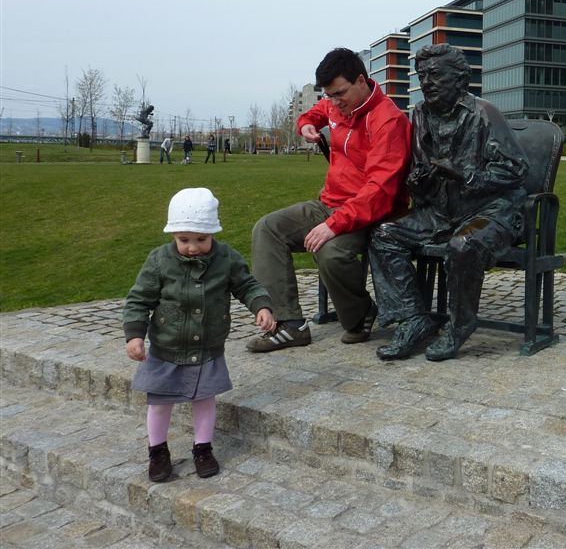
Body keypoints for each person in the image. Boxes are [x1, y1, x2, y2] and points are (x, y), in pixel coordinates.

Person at [369, 44, 528, 362]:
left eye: (435, 75)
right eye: (422, 75)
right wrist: (420, 178)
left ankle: (458, 326)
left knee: (463, 244)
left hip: (490, 211)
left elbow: (516, 169)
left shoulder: (484, 113)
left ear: (459, 79)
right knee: (383, 235)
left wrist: (465, 175)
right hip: (440, 211)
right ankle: (413, 319)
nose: (427, 82)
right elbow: (417, 168)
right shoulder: (420, 115)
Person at [247, 48, 411, 352]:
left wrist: (333, 225)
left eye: (339, 94)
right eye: (329, 95)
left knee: (330, 252)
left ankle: (360, 315)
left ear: (361, 80)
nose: (334, 103)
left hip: (372, 213)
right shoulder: (339, 104)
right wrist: (305, 124)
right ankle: (288, 325)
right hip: (330, 202)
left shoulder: (388, 121)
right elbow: (318, 111)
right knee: (267, 228)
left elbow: (379, 190)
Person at [123, 188, 276, 482]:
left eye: (201, 240)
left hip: (208, 346)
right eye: (184, 240)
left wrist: (262, 306)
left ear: (213, 234)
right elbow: (138, 300)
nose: (192, 247)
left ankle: (203, 448)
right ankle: (157, 451)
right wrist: (134, 335)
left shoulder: (226, 258)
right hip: (166, 347)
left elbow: (247, 285)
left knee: (205, 399)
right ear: (173, 236)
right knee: (159, 402)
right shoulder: (159, 261)